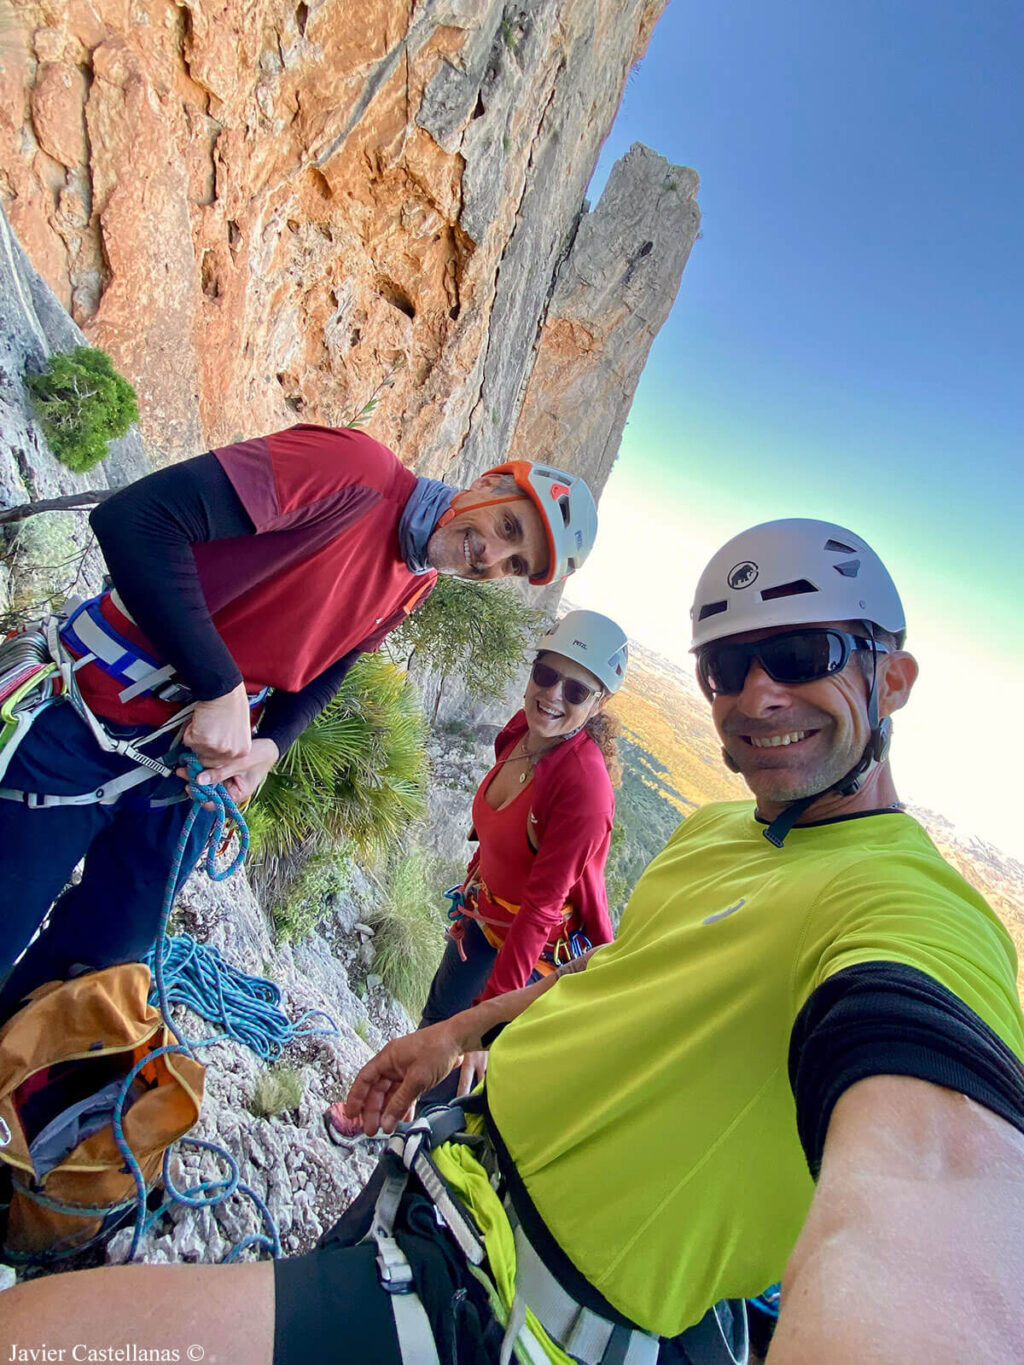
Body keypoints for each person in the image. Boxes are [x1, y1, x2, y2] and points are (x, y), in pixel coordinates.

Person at [7, 517, 1024, 1365]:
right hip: (443, 1179)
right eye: (724, 667)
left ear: (892, 679)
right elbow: (618, 969)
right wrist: (453, 1038)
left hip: (495, 1308)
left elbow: (936, 1185)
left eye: (801, 658)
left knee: (37, 1343)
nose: (757, 696)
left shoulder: (912, 915)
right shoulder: (721, 830)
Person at [0, 425, 597, 1016]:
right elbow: (135, 519)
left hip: (188, 775)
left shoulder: (415, 579)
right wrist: (220, 685)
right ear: (489, 484)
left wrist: (271, 746)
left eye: (516, 564)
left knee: (96, 965)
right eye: (509, 528)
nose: (493, 557)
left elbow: (331, 662)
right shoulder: (354, 469)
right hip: (89, 718)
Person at [327, 608, 627, 1130]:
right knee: (435, 1022)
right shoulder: (517, 733)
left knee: (458, 1066)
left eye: (576, 691)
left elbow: (540, 910)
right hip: (482, 918)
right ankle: (376, 1113)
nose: (552, 695)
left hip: (531, 952)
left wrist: (489, 1021)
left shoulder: (583, 789)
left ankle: (405, 1147)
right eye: (546, 674)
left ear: (598, 703)